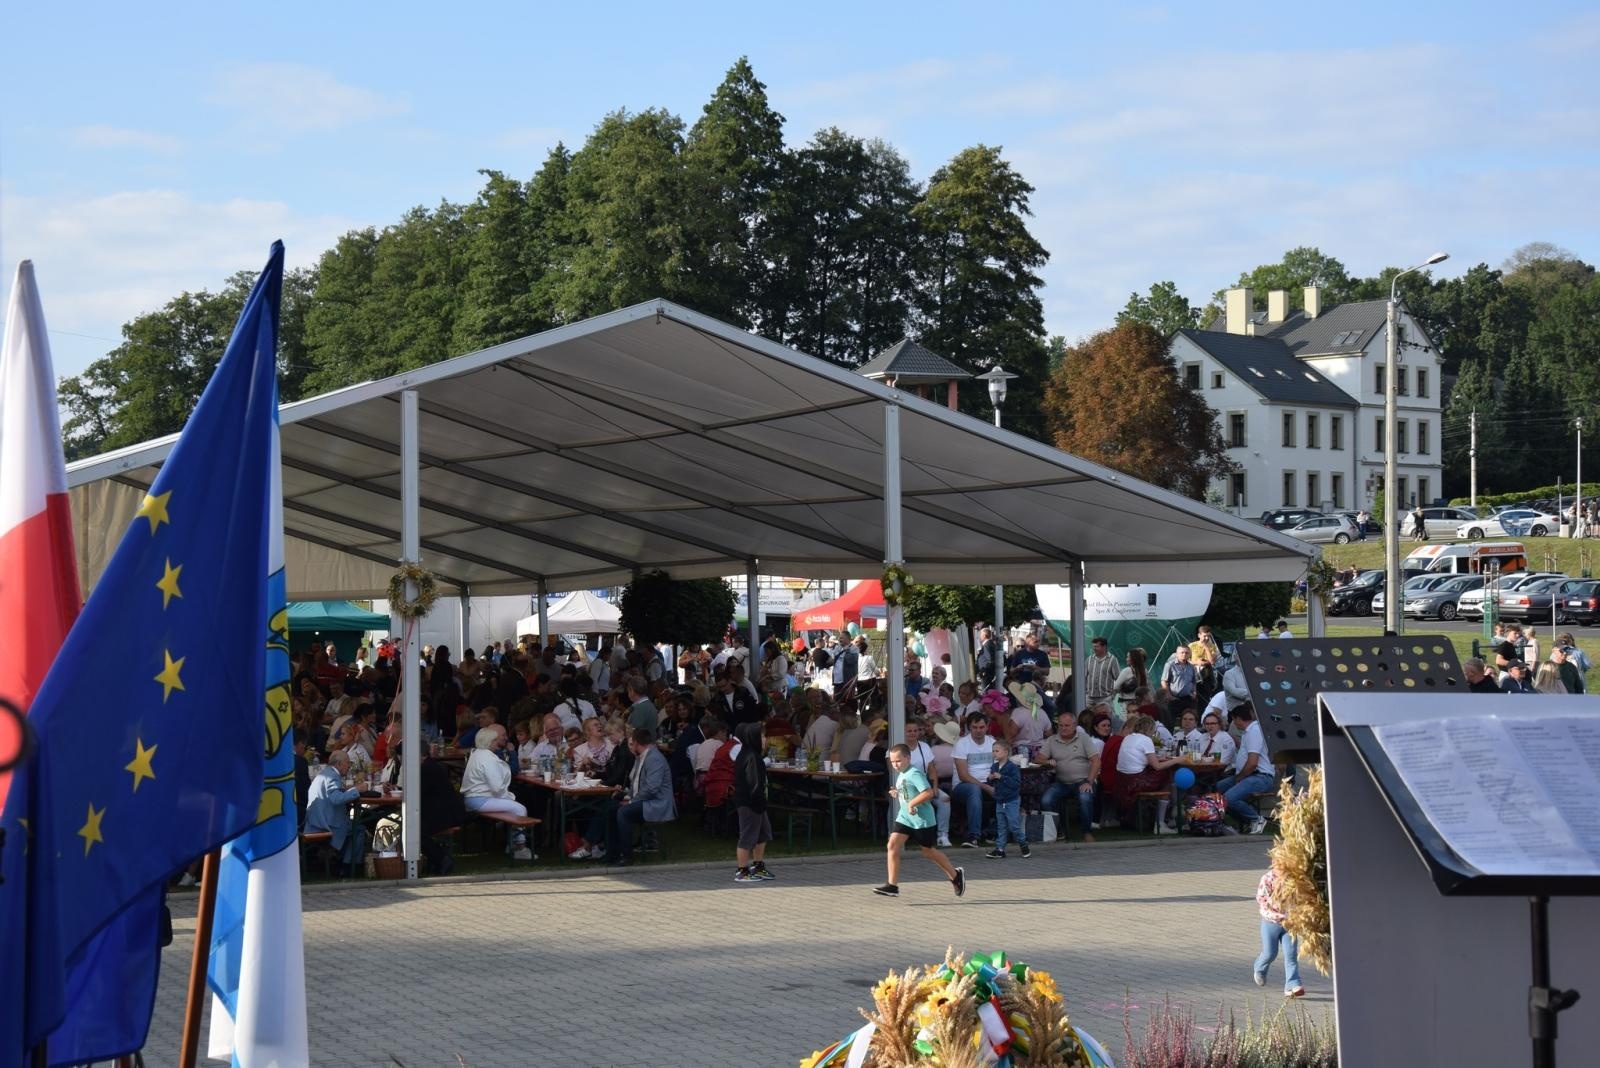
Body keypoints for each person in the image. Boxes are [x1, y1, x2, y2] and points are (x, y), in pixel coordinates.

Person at [874, 743, 965, 899]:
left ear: (908, 758)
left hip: (922, 820)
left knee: (928, 851)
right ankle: (892, 886)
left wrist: (911, 803)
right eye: (893, 762)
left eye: (898, 761)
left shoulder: (914, 773)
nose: (895, 764)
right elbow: (909, 791)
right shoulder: (902, 774)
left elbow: (928, 792)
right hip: (905, 817)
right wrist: (898, 793)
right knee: (892, 845)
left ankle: (955, 875)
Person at [605, 728, 677, 867]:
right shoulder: (641, 757)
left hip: (657, 804)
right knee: (611, 808)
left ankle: (627, 856)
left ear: (637, 743)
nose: (630, 747)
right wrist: (627, 796)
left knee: (623, 812)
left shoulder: (654, 758)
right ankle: (612, 853)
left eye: (632, 744)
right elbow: (636, 784)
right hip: (645, 800)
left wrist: (631, 801)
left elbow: (651, 789)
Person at [460, 725, 534, 859]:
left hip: (473, 798)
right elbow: (497, 787)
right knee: (519, 809)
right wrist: (509, 797)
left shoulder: (476, 753)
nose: (497, 743)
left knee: (514, 807)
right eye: (494, 741)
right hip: (480, 800)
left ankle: (511, 844)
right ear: (488, 742)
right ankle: (520, 848)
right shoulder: (487, 758)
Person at [1113, 714, 1182, 833]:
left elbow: (1141, 759)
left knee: (1163, 774)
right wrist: (1177, 760)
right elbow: (1157, 766)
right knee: (1167, 774)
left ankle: (1164, 817)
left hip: (1123, 781)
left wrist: (1162, 758)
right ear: (1150, 729)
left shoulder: (1128, 738)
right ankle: (1162, 821)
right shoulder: (1146, 740)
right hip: (1137, 782)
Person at [1213, 704, 1275, 835]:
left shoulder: (1254, 731)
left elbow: (1253, 763)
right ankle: (1243, 821)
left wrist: (1239, 778)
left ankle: (1256, 819)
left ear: (1237, 719)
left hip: (1260, 777)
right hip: (1249, 775)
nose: (1233, 723)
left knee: (1228, 798)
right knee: (1218, 789)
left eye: (1233, 720)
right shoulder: (1248, 732)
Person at [1037, 712, 1098, 842]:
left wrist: (1089, 781)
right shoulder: (1052, 740)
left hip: (1083, 780)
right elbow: (1038, 759)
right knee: (1046, 800)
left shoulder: (1083, 738)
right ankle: (1058, 830)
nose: (1063, 728)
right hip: (1062, 782)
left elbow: (1096, 761)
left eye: (1067, 725)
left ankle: (1087, 832)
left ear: (1075, 725)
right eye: (1060, 725)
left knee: (1085, 797)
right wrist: (1047, 762)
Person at [304, 751, 366, 873]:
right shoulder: (332, 776)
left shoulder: (325, 773)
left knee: (353, 825)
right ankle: (350, 867)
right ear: (339, 764)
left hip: (315, 820)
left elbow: (332, 794)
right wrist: (356, 790)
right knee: (359, 829)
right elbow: (336, 799)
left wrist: (346, 790)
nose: (349, 766)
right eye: (348, 763)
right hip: (326, 823)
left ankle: (340, 861)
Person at [731, 722, 775, 883]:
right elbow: (754, 783)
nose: (765, 739)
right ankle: (742, 870)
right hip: (750, 803)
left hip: (757, 803)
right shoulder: (751, 757)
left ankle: (758, 865)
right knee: (748, 836)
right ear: (753, 738)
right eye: (762, 736)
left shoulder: (752, 755)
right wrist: (757, 802)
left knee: (763, 833)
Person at [1254, 859, 1305, 998]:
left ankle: (1292, 984)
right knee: (1270, 953)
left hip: (1290, 925)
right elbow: (1262, 902)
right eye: (1278, 863)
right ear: (1273, 863)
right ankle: (1259, 968)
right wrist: (1279, 915)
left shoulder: (1293, 879)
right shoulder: (1267, 879)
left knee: (1291, 955)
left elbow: (1300, 899)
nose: (1281, 867)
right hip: (1270, 923)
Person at [951, 713, 998, 848]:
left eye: (982, 727)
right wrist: (987, 787)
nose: (978, 730)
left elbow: (998, 767)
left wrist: (995, 779)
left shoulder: (992, 742)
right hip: (963, 786)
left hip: (988, 781)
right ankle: (973, 837)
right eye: (974, 727)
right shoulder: (961, 744)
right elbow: (963, 776)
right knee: (974, 790)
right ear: (969, 728)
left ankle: (993, 832)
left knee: (1010, 789)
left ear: (987, 727)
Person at [904, 719, 953, 847]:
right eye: (909, 731)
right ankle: (894, 834)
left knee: (944, 799)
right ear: (903, 732)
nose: (913, 733)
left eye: (915, 730)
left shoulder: (924, 747)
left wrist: (935, 786)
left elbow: (932, 770)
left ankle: (943, 835)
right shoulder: (898, 748)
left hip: (925, 785)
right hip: (906, 786)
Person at [984, 740, 1028, 859]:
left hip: (1011, 800)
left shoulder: (1012, 767)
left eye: (997, 751)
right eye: (993, 751)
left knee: (1014, 825)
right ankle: (1000, 849)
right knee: (1001, 826)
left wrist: (1002, 777)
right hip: (1000, 800)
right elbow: (992, 781)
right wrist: (990, 778)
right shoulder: (994, 766)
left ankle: (1023, 843)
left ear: (1006, 752)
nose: (994, 753)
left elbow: (1016, 783)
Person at [1082, 637, 1121, 712]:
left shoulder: (1112, 660)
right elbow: (1083, 677)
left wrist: (1113, 695)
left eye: (1097, 646)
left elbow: (1119, 679)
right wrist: (1084, 693)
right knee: (1086, 717)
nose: (1094, 648)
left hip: (1105, 698)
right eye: (1093, 646)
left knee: (1106, 717)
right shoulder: (1089, 659)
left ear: (1104, 647)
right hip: (1089, 698)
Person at [625, 675, 660, 741]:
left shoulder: (639, 708)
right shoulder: (649, 705)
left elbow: (633, 731)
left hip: (641, 745)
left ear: (632, 691)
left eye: (628, 691)